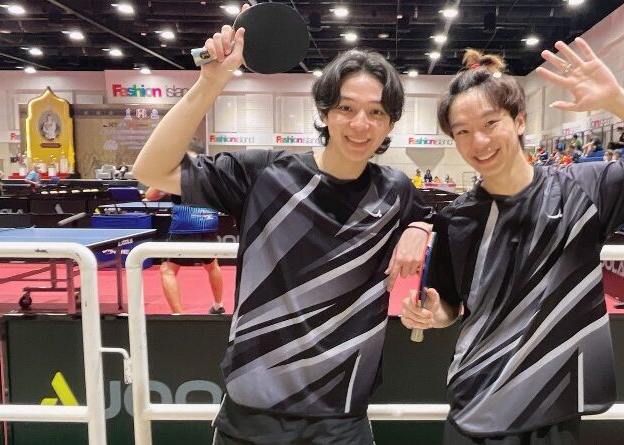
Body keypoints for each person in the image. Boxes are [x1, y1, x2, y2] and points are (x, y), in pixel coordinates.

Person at [132, 10, 433, 444]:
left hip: (341, 417)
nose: (360, 124)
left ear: (390, 122)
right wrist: (211, 82)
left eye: (376, 112)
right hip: (252, 412)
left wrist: (419, 227)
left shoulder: (396, 190)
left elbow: (435, 217)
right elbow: (151, 170)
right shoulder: (265, 173)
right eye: (346, 108)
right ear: (325, 112)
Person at [400, 37, 624, 444]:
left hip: (554, 407)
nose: (479, 142)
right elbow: (449, 305)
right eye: (463, 131)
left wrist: (616, 99)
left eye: (491, 123)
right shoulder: (455, 218)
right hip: (476, 401)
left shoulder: (584, 188)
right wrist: (431, 313)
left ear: (519, 121)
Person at [145, 186, 225, 315]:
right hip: (209, 221)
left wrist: (163, 182)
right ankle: (218, 306)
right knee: (212, 265)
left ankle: (179, 316)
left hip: (185, 222)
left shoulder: (175, 174)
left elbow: (150, 195)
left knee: (168, 270)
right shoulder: (210, 172)